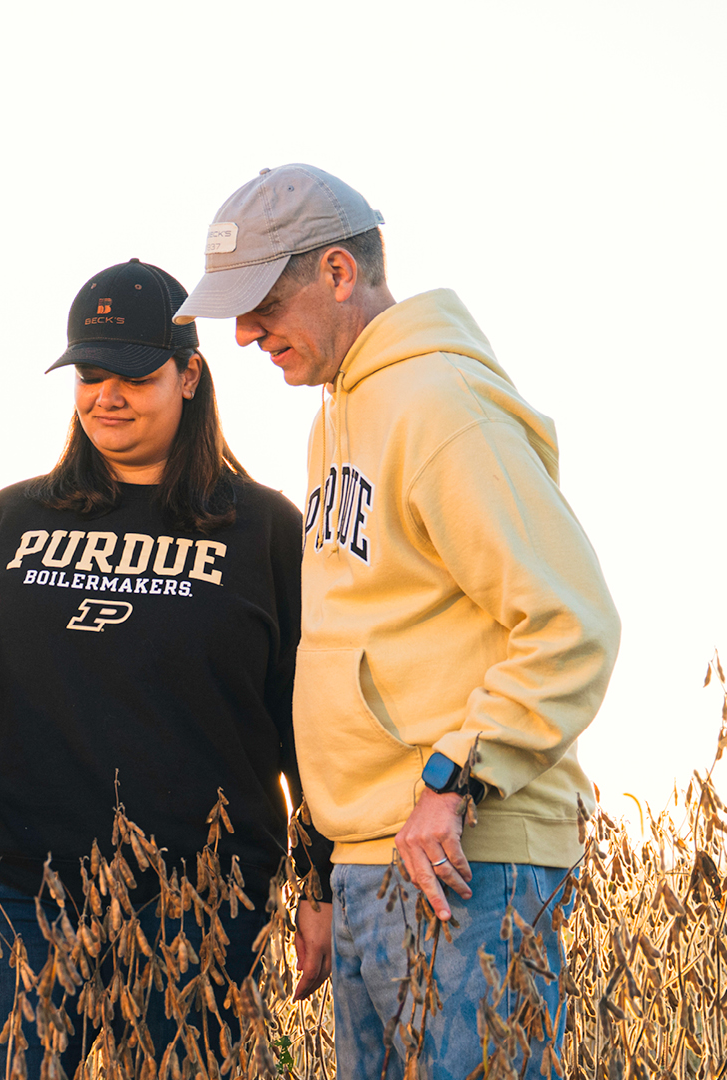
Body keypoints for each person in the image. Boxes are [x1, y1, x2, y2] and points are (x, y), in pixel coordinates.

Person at [175, 164, 621, 1078]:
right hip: (375, 861)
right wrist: (336, 860)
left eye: (261, 302)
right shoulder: (339, 411)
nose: (245, 332)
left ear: (339, 273)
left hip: (467, 865)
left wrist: (454, 780)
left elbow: (573, 620)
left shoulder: (442, 407)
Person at [0, 259, 331, 1075]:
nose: (108, 395)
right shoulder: (6, 523)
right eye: (89, 375)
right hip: (17, 898)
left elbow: (307, 727)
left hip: (198, 909)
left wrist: (320, 884)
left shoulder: (264, 532)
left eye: (133, 375)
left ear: (190, 376)